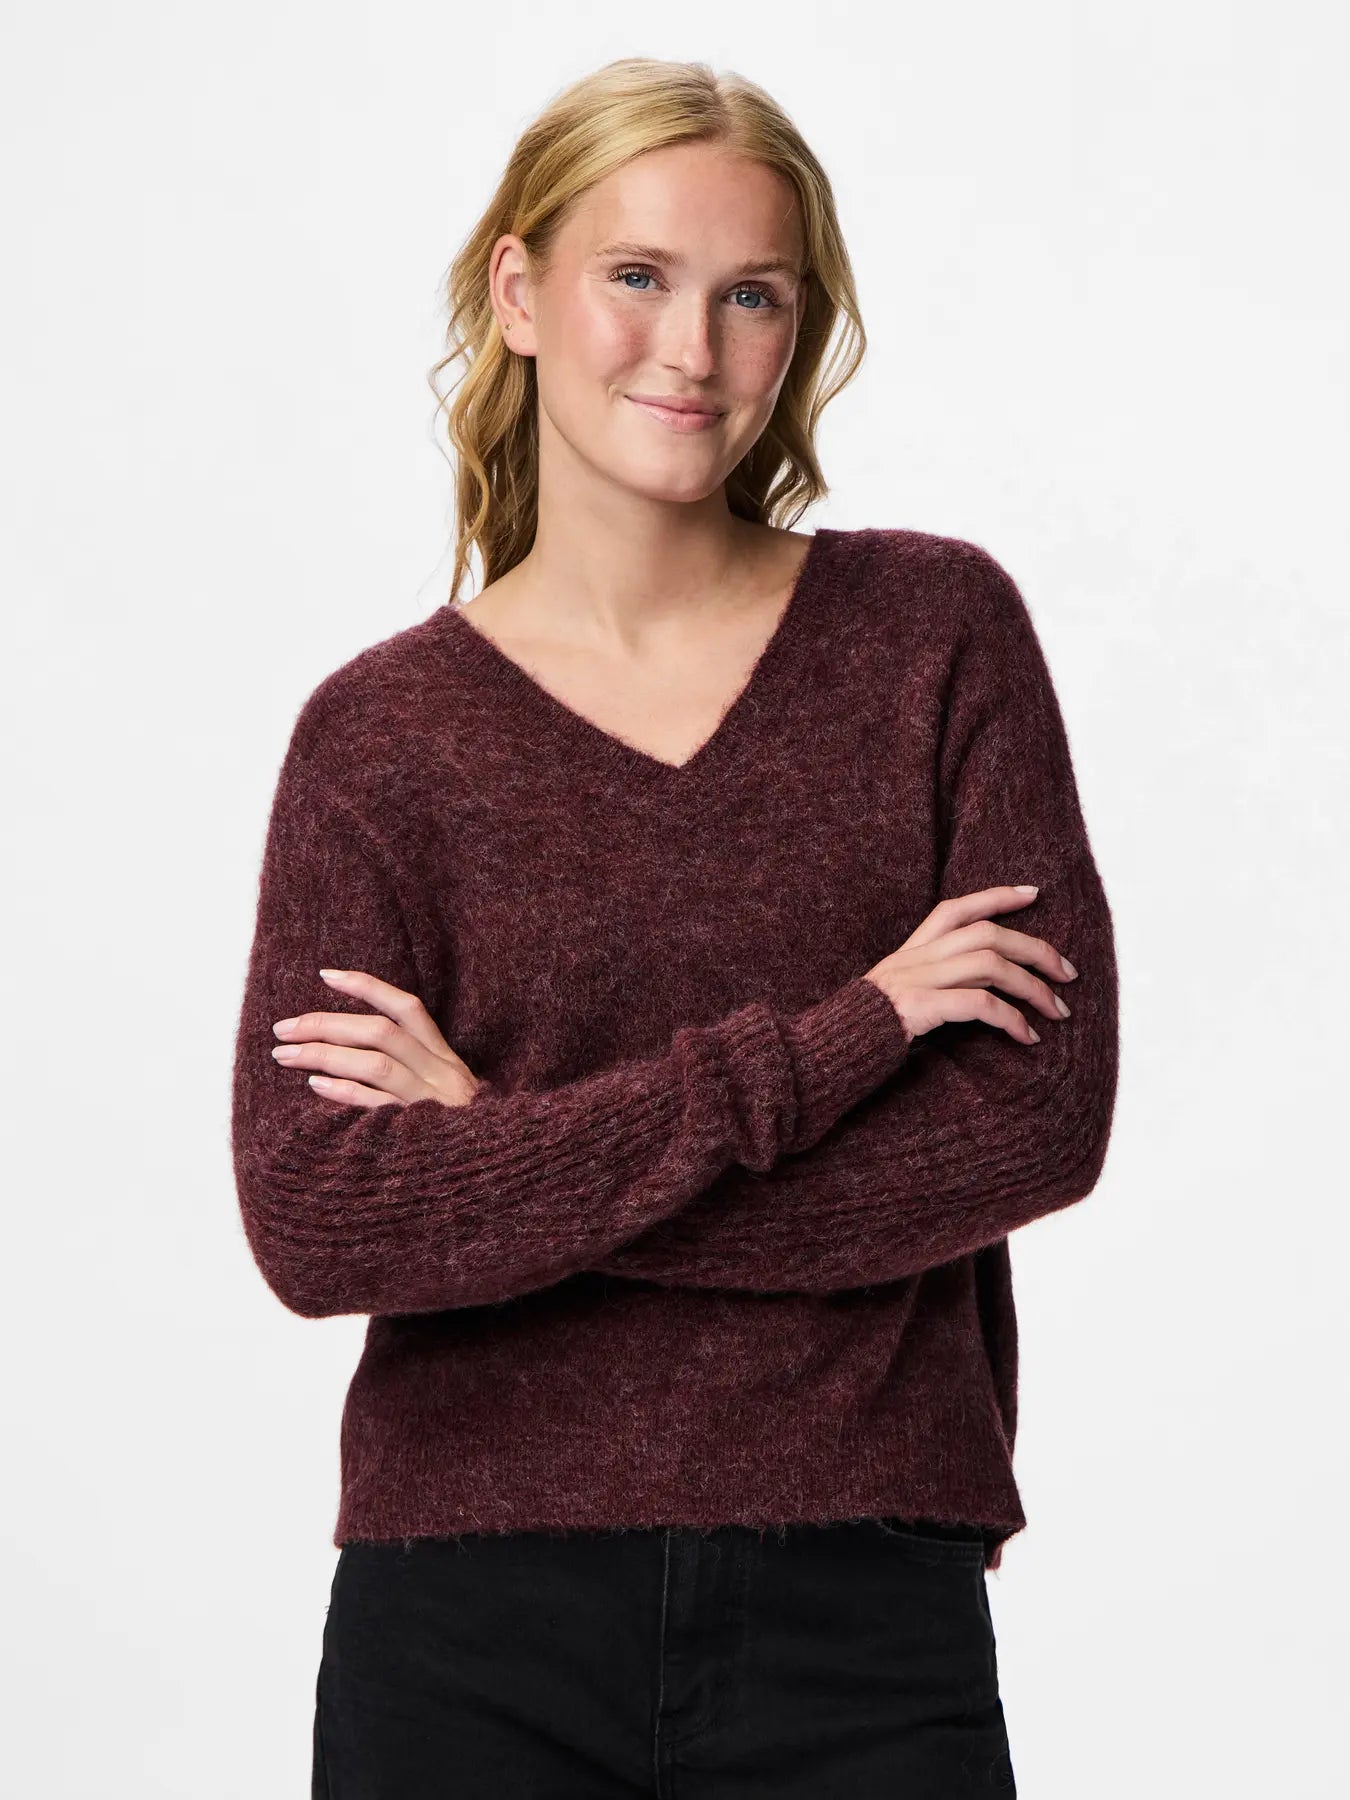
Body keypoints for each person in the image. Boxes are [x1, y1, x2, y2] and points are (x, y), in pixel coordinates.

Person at [230, 55, 1119, 1800]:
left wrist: (499, 1152)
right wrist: (851, 1037)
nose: (690, 350)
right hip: (469, 1608)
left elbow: (1032, 1125)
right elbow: (322, 1224)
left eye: (750, 295)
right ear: (519, 291)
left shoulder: (933, 636)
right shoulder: (382, 738)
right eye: (636, 275)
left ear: (799, 328)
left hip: (862, 1599)